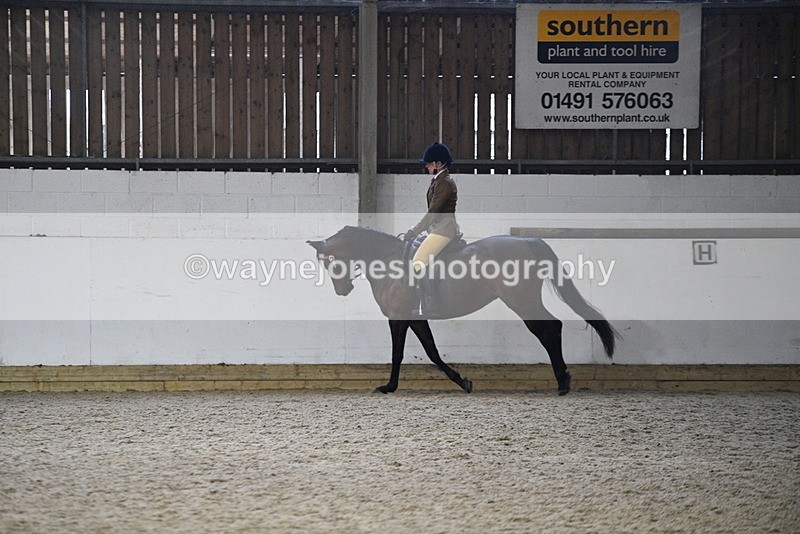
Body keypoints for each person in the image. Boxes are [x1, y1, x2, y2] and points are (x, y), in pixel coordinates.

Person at [404, 142, 460, 317]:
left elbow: (433, 212)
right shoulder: (438, 181)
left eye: (429, 163)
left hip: (444, 229)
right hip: (436, 229)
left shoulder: (445, 183)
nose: (426, 166)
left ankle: (433, 303)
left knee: (419, 260)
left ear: (439, 164)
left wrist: (414, 230)